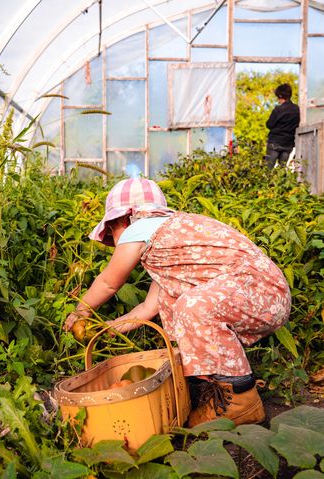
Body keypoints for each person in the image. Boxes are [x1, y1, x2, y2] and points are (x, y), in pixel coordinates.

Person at [64, 178, 291, 427]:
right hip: (263, 294)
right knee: (173, 301)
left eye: (110, 230)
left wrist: (80, 312)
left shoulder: (138, 228)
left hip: (258, 290)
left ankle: (241, 400)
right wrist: (111, 327)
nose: (112, 239)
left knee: (193, 306)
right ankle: (211, 387)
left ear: (124, 218)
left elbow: (109, 282)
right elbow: (149, 308)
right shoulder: (171, 249)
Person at [265, 83, 300, 170]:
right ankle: (282, 183)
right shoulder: (297, 109)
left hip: (275, 142)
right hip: (288, 144)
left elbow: (269, 124)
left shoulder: (278, 109)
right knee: (282, 169)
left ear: (280, 95)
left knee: (268, 170)